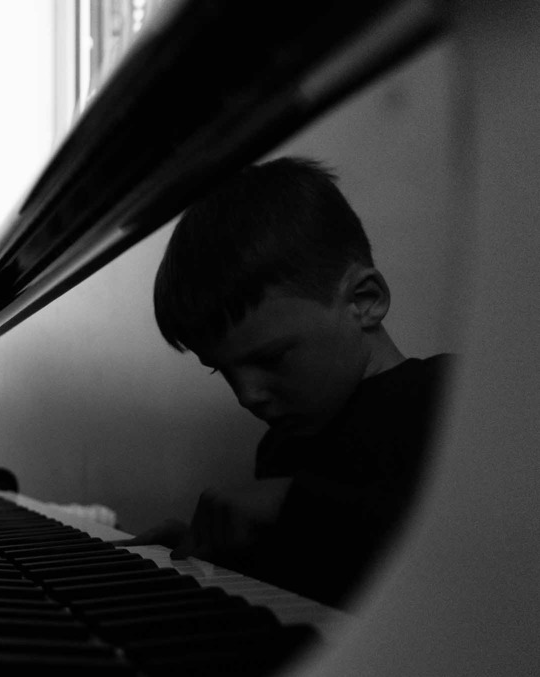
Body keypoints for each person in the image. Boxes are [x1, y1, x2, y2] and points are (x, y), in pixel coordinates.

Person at [140, 156, 454, 609]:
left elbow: (479, 545)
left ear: (364, 301)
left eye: (271, 358)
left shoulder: (446, 397)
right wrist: (217, 553)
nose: (248, 396)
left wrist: (296, 505)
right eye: (222, 371)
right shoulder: (281, 446)